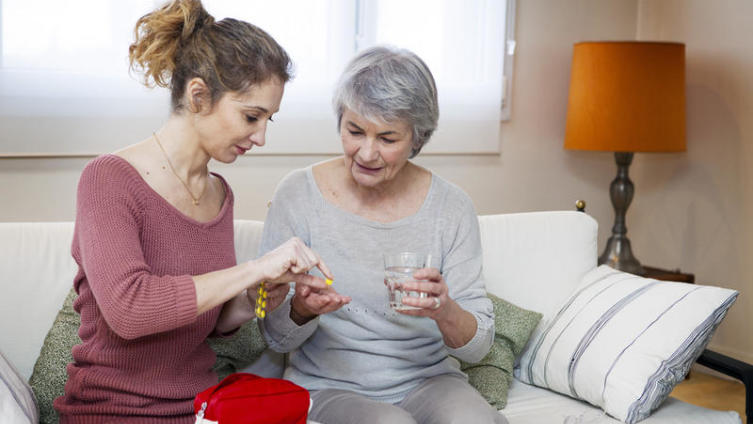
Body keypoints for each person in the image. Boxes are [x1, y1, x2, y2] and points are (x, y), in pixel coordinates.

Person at [53, 1, 341, 422]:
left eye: (269, 120)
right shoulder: (108, 179)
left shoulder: (219, 194)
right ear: (199, 95)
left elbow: (212, 323)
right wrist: (254, 269)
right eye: (251, 116)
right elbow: (130, 311)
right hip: (113, 411)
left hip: (200, 410)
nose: (261, 137)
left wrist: (254, 298)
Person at [258, 46, 507, 424]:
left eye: (388, 139)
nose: (367, 153)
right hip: (329, 386)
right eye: (355, 131)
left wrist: (444, 310)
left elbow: (478, 348)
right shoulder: (297, 194)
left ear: (417, 139)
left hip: (431, 381)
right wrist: (301, 310)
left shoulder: (452, 207)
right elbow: (273, 336)